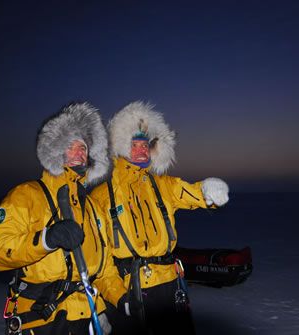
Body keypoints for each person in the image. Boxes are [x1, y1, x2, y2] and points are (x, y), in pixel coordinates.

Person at [0, 102, 127, 334]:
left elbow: (104, 267)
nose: (79, 153)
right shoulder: (26, 195)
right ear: (56, 149)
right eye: (72, 146)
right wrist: (46, 240)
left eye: (84, 148)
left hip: (88, 316)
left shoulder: (91, 207)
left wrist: (122, 298)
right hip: (42, 319)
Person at [90, 101, 229, 334]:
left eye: (146, 144)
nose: (142, 150)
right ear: (121, 147)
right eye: (135, 144)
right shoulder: (102, 196)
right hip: (128, 292)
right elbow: (98, 261)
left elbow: (189, 193)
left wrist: (207, 192)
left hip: (169, 287)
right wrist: (114, 299)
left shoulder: (162, 186)